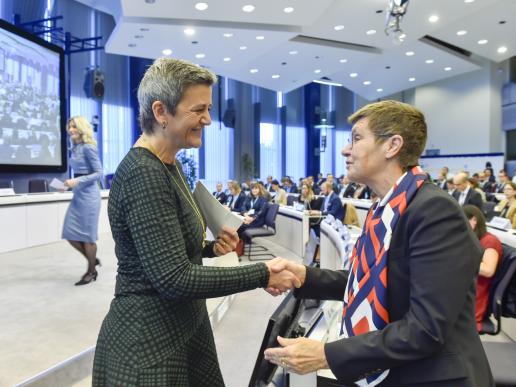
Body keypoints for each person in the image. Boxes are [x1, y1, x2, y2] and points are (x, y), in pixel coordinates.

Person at [92, 58, 300, 387]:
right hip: (149, 343)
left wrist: (209, 249)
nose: (208, 119)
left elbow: (165, 248)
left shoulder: (167, 165)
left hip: (182, 326)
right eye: (198, 109)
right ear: (161, 112)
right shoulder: (143, 174)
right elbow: (174, 279)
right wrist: (263, 273)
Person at [264, 100, 493, 386]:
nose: (345, 149)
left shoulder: (434, 211)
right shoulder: (386, 208)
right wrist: (304, 276)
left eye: (357, 138)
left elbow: (425, 328)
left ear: (392, 145)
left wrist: (327, 355)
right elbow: (370, 282)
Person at [61, 116, 103, 286]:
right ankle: (93, 260)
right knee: (70, 233)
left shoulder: (88, 148)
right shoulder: (75, 148)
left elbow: (99, 173)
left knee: (87, 237)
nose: (71, 129)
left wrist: (77, 181)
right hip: (78, 194)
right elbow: (79, 173)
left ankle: (91, 271)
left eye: (74, 127)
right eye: (69, 126)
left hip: (90, 196)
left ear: (82, 129)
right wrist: (69, 184)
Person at [463, 205, 502, 331]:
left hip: (474, 297)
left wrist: (457, 259)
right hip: (466, 289)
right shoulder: (473, 239)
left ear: (474, 220)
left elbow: (488, 270)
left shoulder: (490, 241)